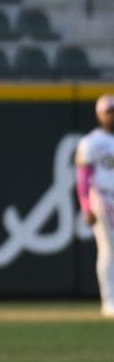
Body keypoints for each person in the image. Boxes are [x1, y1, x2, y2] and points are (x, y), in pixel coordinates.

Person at [76, 96, 114, 317]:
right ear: (100, 114)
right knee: (108, 249)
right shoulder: (91, 141)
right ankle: (109, 301)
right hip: (102, 196)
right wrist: (86, 206)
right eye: (109, 112)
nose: (112, 115)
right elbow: (83, 176)